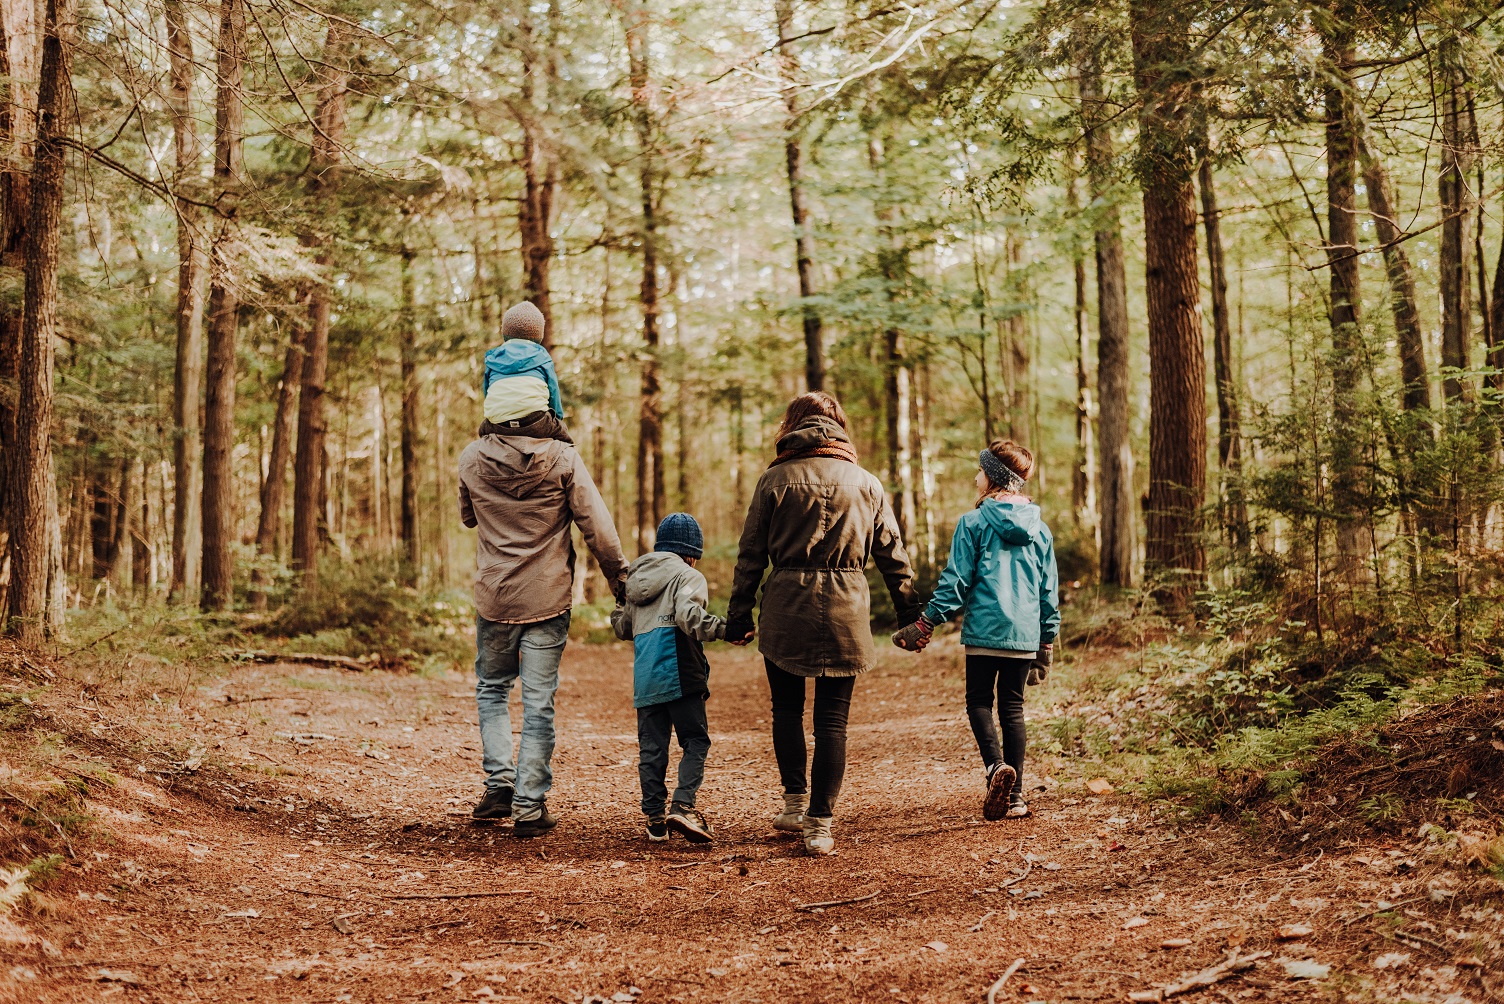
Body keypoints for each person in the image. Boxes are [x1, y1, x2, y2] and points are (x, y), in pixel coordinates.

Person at [727, 391, 923, 856]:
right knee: (833, 721)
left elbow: (751, 554)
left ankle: (794, 804)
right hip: (846, 608)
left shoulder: (774, 480)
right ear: (840, 426)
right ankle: (820, 824)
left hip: (785, 607)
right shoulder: (866, 482)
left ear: (791, 427)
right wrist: (911, 615)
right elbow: (893, 556)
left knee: (787, 711)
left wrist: (739, 616)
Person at [458, 415, 628, 838]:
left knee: (492, 688)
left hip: (494, 596)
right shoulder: (564, 459)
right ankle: (529, 806)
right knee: (538, 702)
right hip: (547, 598)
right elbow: (598, 528)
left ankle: (499, 784)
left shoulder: (472, 456)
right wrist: (619, 579)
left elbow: (468, 516)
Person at [892, 440, 1059, 820]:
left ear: (995, 478)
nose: (975, 476)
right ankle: (1016, 797)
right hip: (1024, 632)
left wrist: (926, 621)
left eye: (980, 471)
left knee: (979, 702)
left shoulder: (974, 522)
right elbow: (1049, 590)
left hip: (985, 628)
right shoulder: (1041, 530)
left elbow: (955, 582)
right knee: (1013, 708)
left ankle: (995, 768)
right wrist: (1046, 642)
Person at [611, 513, 725, 844]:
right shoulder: (688, 575)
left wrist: (620, 603)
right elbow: (691, 619)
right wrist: (725, 628)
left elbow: (624, 628)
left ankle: (655, 821)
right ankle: (683, 806)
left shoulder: (636, 581)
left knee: (652, 748)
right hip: (681, 669)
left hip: (646, 676)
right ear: (690, 552)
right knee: (695, 740)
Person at [480, 301, 572, 444]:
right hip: (536, 422)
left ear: (505, 332)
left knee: (482, 431)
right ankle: (566, 458)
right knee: (564, 439)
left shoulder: (493, 358)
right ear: (538, 335)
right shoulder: (542, 356)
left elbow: (487, 391)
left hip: (499, 424)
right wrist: (557, 418)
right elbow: (553, 392)